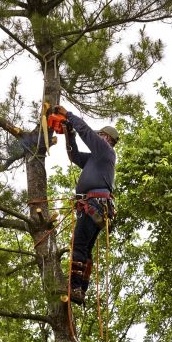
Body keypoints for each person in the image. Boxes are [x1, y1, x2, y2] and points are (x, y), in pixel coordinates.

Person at [53, 105, 118, 305]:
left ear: (106, 138)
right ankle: (80, 290)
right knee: (84, 248)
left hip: (95, 205)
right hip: (95, 207)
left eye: (100, 135)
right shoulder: (95, 159)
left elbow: (86, 132)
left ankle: (75, 287)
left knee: (79, 245)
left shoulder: (105, 151)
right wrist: (68, 134)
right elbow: (74, 156)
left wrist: (69, 116)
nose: (97, 138)